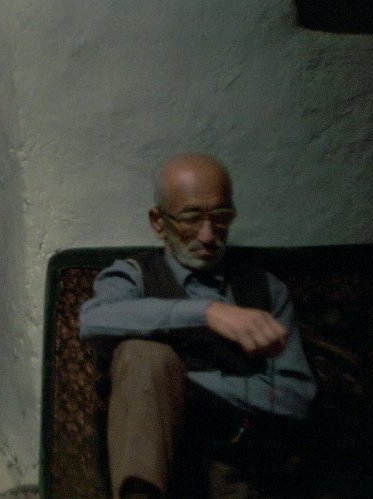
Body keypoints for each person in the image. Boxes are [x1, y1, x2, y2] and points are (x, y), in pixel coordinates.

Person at [79, 153, 318, 498]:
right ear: (158, 223)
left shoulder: (266, 289)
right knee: (144, 356)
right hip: (156, 466)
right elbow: (94, 320)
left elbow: (297, 397)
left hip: (238, 463)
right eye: (191, 219)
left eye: (221, 217)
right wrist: (207, 313)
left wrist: (188, 388)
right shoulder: (132, 276)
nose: (208, 236)